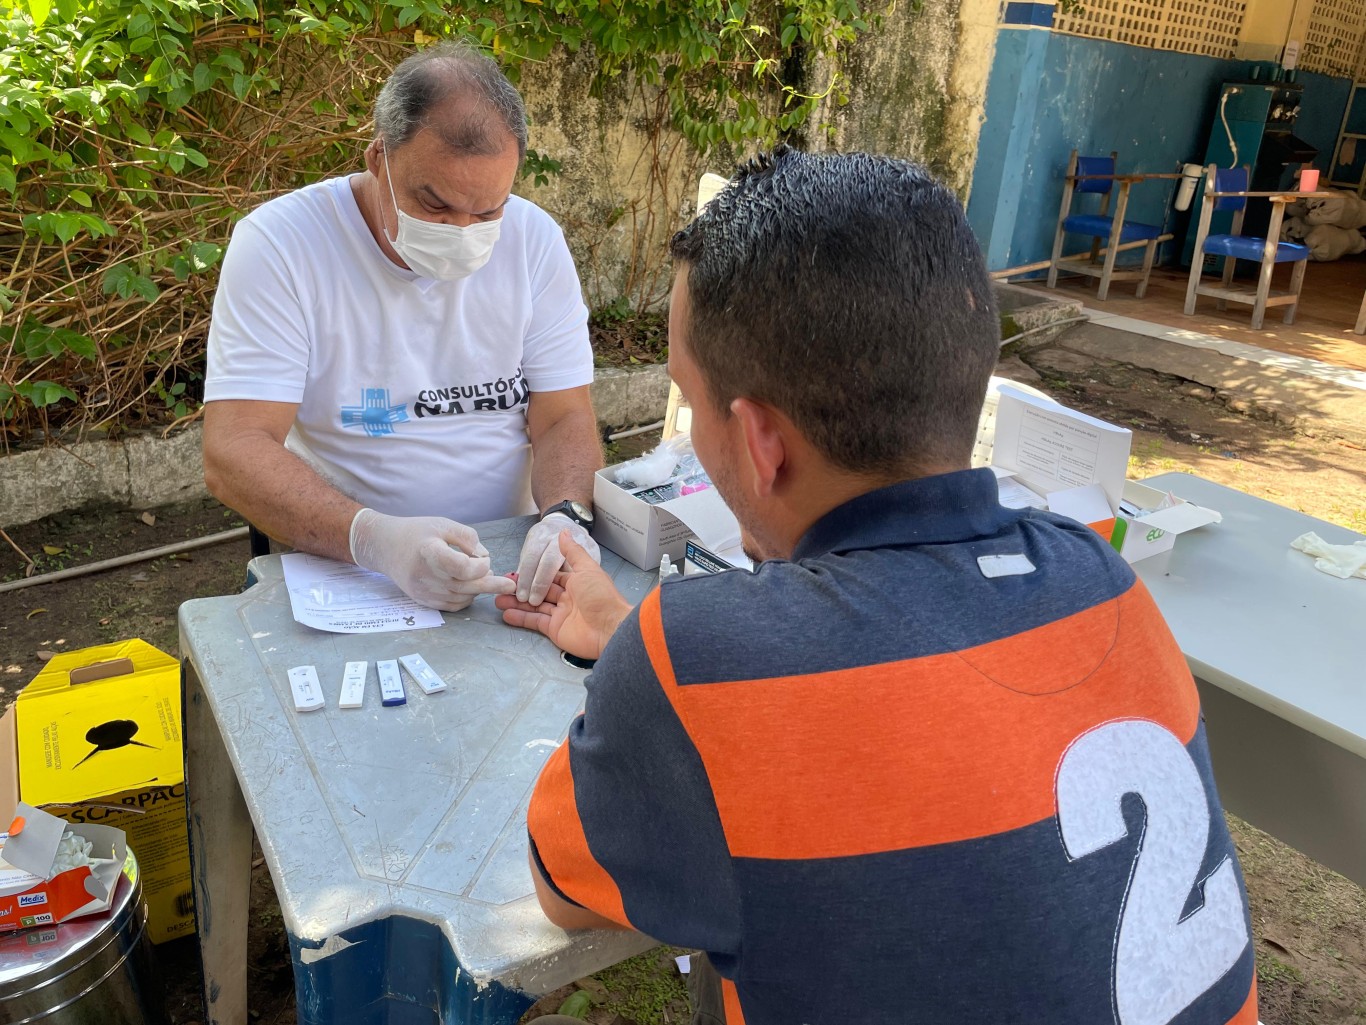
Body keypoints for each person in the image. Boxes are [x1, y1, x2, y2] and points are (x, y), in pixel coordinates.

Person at [497, 148, 1258, 1025]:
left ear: (760, 443)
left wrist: (644, 661)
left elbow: (563, 891)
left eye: (690, 398)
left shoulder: (693, 662)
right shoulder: (1106, 583)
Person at [203, 41, 602, 610]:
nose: (462, 230)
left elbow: (564, 413)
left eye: (488, 210)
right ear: (378, 160)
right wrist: (376, 540)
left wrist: (563, 518)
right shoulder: (282, 245)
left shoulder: (534, 241)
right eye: (435, 204)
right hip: (347, 570)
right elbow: (234, 448)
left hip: (510, 561)